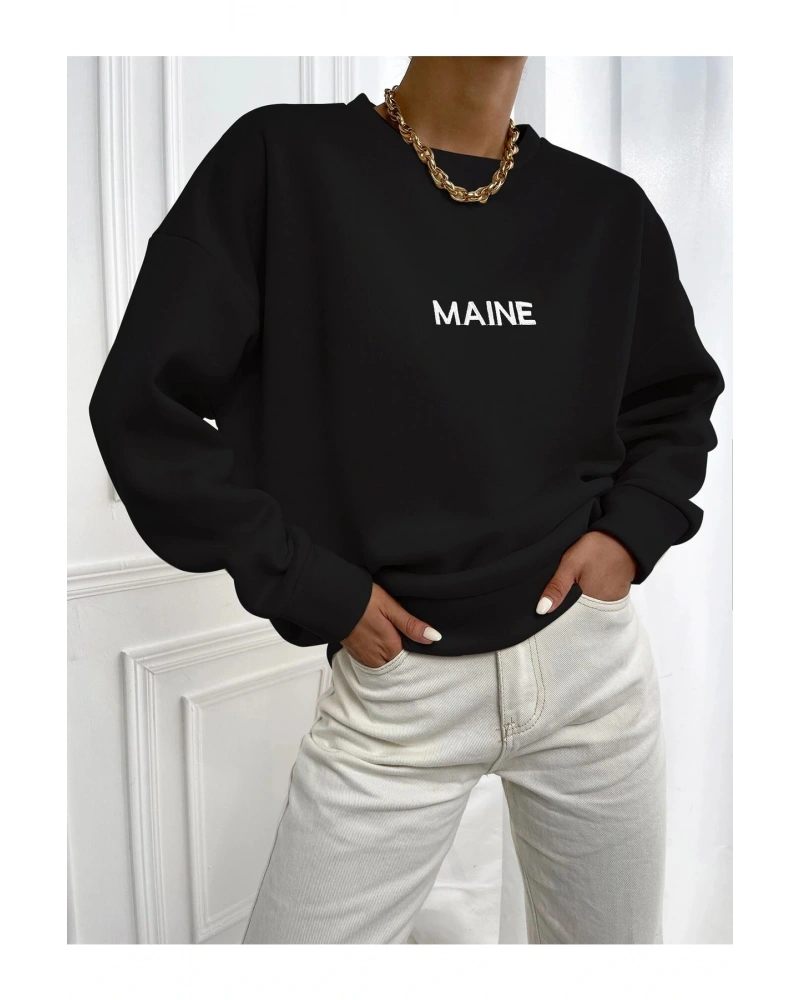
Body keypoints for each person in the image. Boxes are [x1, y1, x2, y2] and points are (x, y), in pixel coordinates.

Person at [89, 56, 725, 944]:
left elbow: (674, 402)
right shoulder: (282, 162)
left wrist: (630, 534)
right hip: (400, 684)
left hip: (592, 673)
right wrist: (310, 583)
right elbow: (141, 408)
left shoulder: (608, 211)